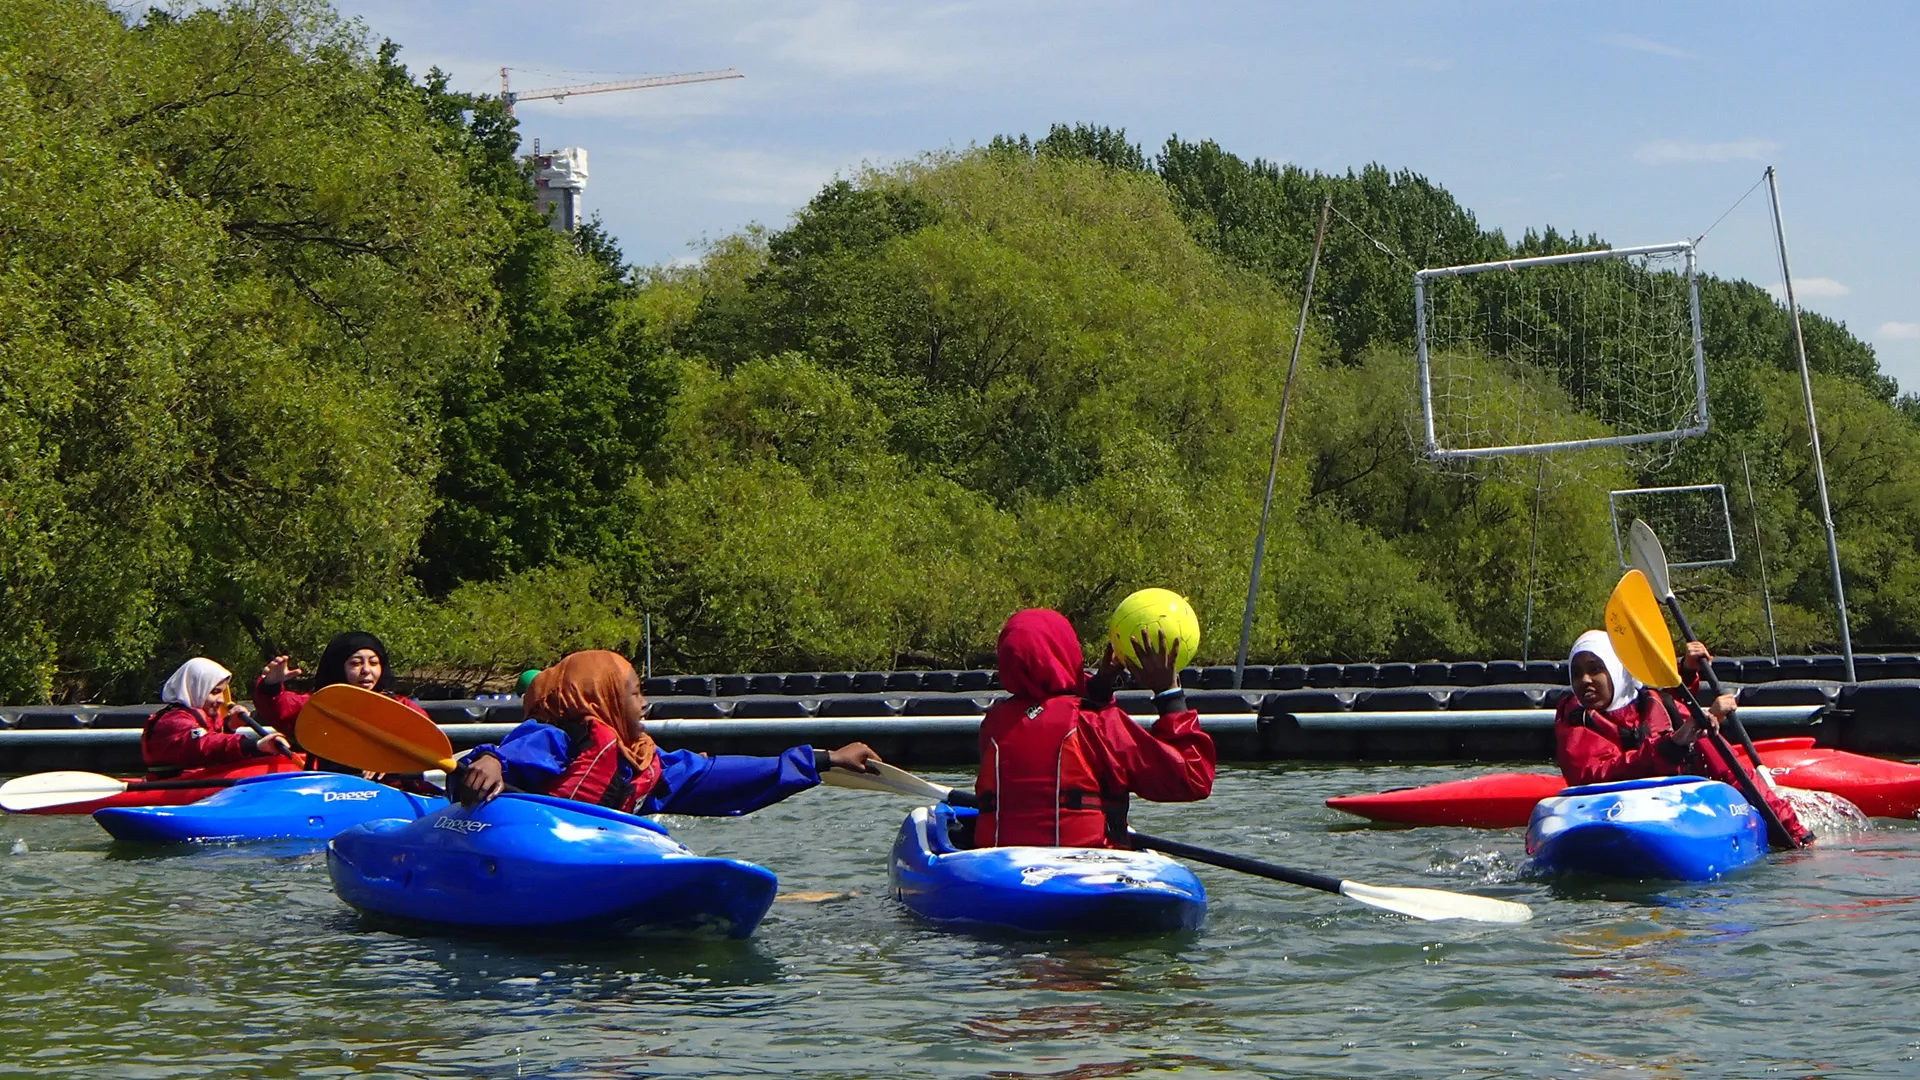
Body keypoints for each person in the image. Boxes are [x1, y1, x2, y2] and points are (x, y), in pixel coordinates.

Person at [452, 649, 883, 815]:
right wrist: (489, 760)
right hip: (535, 848)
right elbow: (510, 755)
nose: (643, 705)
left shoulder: (647, 763)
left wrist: (826, 759)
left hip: (600, 854)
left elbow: (723, 775)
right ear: (599, 698)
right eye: (633, 693)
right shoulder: (562, 736)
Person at [973, 608, 1216, 849]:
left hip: (1006, 867)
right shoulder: (1097, 724)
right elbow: (1194, 778)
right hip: (1089, 866)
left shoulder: (993, 726)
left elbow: (1047, 711)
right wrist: (1169, 693)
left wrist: (1100, 685)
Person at [1555, 629, 1812, 847]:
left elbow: (1733, 773)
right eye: (1576, 673)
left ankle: (1789, 826)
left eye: (1595, 669)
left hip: (1676, 805)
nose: (1585, 681)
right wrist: (1670, 745)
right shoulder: (1575, 719)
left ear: (1618, 671)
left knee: (1705, 742)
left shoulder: (1657, 702)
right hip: (1608, 814)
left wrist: (1794, 833)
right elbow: (1596, 776)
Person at [252, 631, 427, 751]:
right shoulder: (319, 705)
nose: (366, 670)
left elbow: (426, 741)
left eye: (373, 663)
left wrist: (389, 761)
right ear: (338, 667)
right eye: (355, 663)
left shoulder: (402, 707)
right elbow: (278, 709)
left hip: (390, 790)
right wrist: (271, 684)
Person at [143, 658, 292, 776]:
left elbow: (209, 741)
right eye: (214, 692)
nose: (221, 700)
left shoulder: (199, 717)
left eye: (221, 692)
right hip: (175, 786)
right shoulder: (173, 721)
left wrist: (229, 726)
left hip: (196, 780)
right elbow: (203, 745)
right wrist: (254, 746)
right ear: (196, 689)